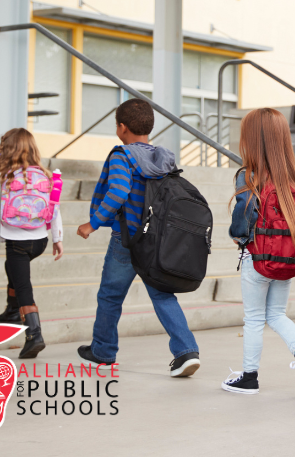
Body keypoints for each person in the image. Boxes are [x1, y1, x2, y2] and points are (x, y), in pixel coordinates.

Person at [75, 98, 201, 377]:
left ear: (122, 128)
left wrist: (92, 224)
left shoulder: (123, 156)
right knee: (162, 295)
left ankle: (103, 350)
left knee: (110, 295)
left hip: (127, 240)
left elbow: (118, 191)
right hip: (156, 240)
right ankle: (186, 351)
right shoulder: (163, 157)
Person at [222, 108, 295, 397]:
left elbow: (242, 220)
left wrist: (239, 237)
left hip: (258, 260)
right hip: (287, 257)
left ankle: (249, 377)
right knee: (277, 314)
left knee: (254, 318)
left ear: (251, 141)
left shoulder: (248, 177)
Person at [0, 128, 64, 359]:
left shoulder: (5, 177)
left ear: (6, 150)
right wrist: (57, 238)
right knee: (11, 269)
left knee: (23, 286)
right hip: (40, 240)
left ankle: (34, 335)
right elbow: (55, 210)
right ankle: (13, 311)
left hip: (17, 242)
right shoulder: (46, 176)